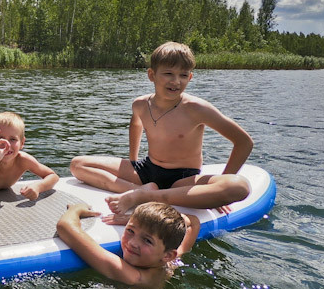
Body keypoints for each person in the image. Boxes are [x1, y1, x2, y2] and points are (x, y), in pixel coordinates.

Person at [70, 41, 253, 221]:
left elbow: (244, 142)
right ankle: (141, 190)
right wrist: (133, 160)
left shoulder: (197, 108)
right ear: (152, 75)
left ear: (190, 77)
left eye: (183, 75)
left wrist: (216, 188)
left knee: (238, 187)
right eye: (168, 74)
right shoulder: (140, 104)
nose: (176, 81)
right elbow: (136, 125)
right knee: (77, 165)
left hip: (182, 180)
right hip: (146, 170)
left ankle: (146, 196)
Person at [56, 202, 201, 289]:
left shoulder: (132, 276)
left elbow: (65, 227)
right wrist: (151, 222)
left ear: (167, 255)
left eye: (147, 240)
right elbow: (194, 222)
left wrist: (76, 209)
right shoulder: (171, 263)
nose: (132, 243)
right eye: (130, 231)